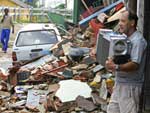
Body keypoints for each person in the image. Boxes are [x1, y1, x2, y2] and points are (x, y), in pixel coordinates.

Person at [105, 10, 147, 113]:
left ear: (132, 23)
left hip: (130, 87)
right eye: (119, 21)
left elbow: (135, 64)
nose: (119, 24)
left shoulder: (138, 40)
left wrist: (115, 67)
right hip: (120, 84)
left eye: (123, 21)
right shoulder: (125, 38)